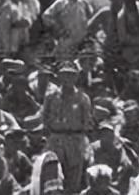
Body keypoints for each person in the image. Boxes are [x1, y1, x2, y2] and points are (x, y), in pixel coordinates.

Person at [42, 61, 93, 193]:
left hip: (75, 139)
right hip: (56, 138)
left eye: (71, 75)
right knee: (53, 173)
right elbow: (45, 118)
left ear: (76, 77)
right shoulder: (51, 96)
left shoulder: (82, 98)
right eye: (64, 74)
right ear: (59, 76)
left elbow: (87, 122)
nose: (68, 78)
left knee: (74, 178)